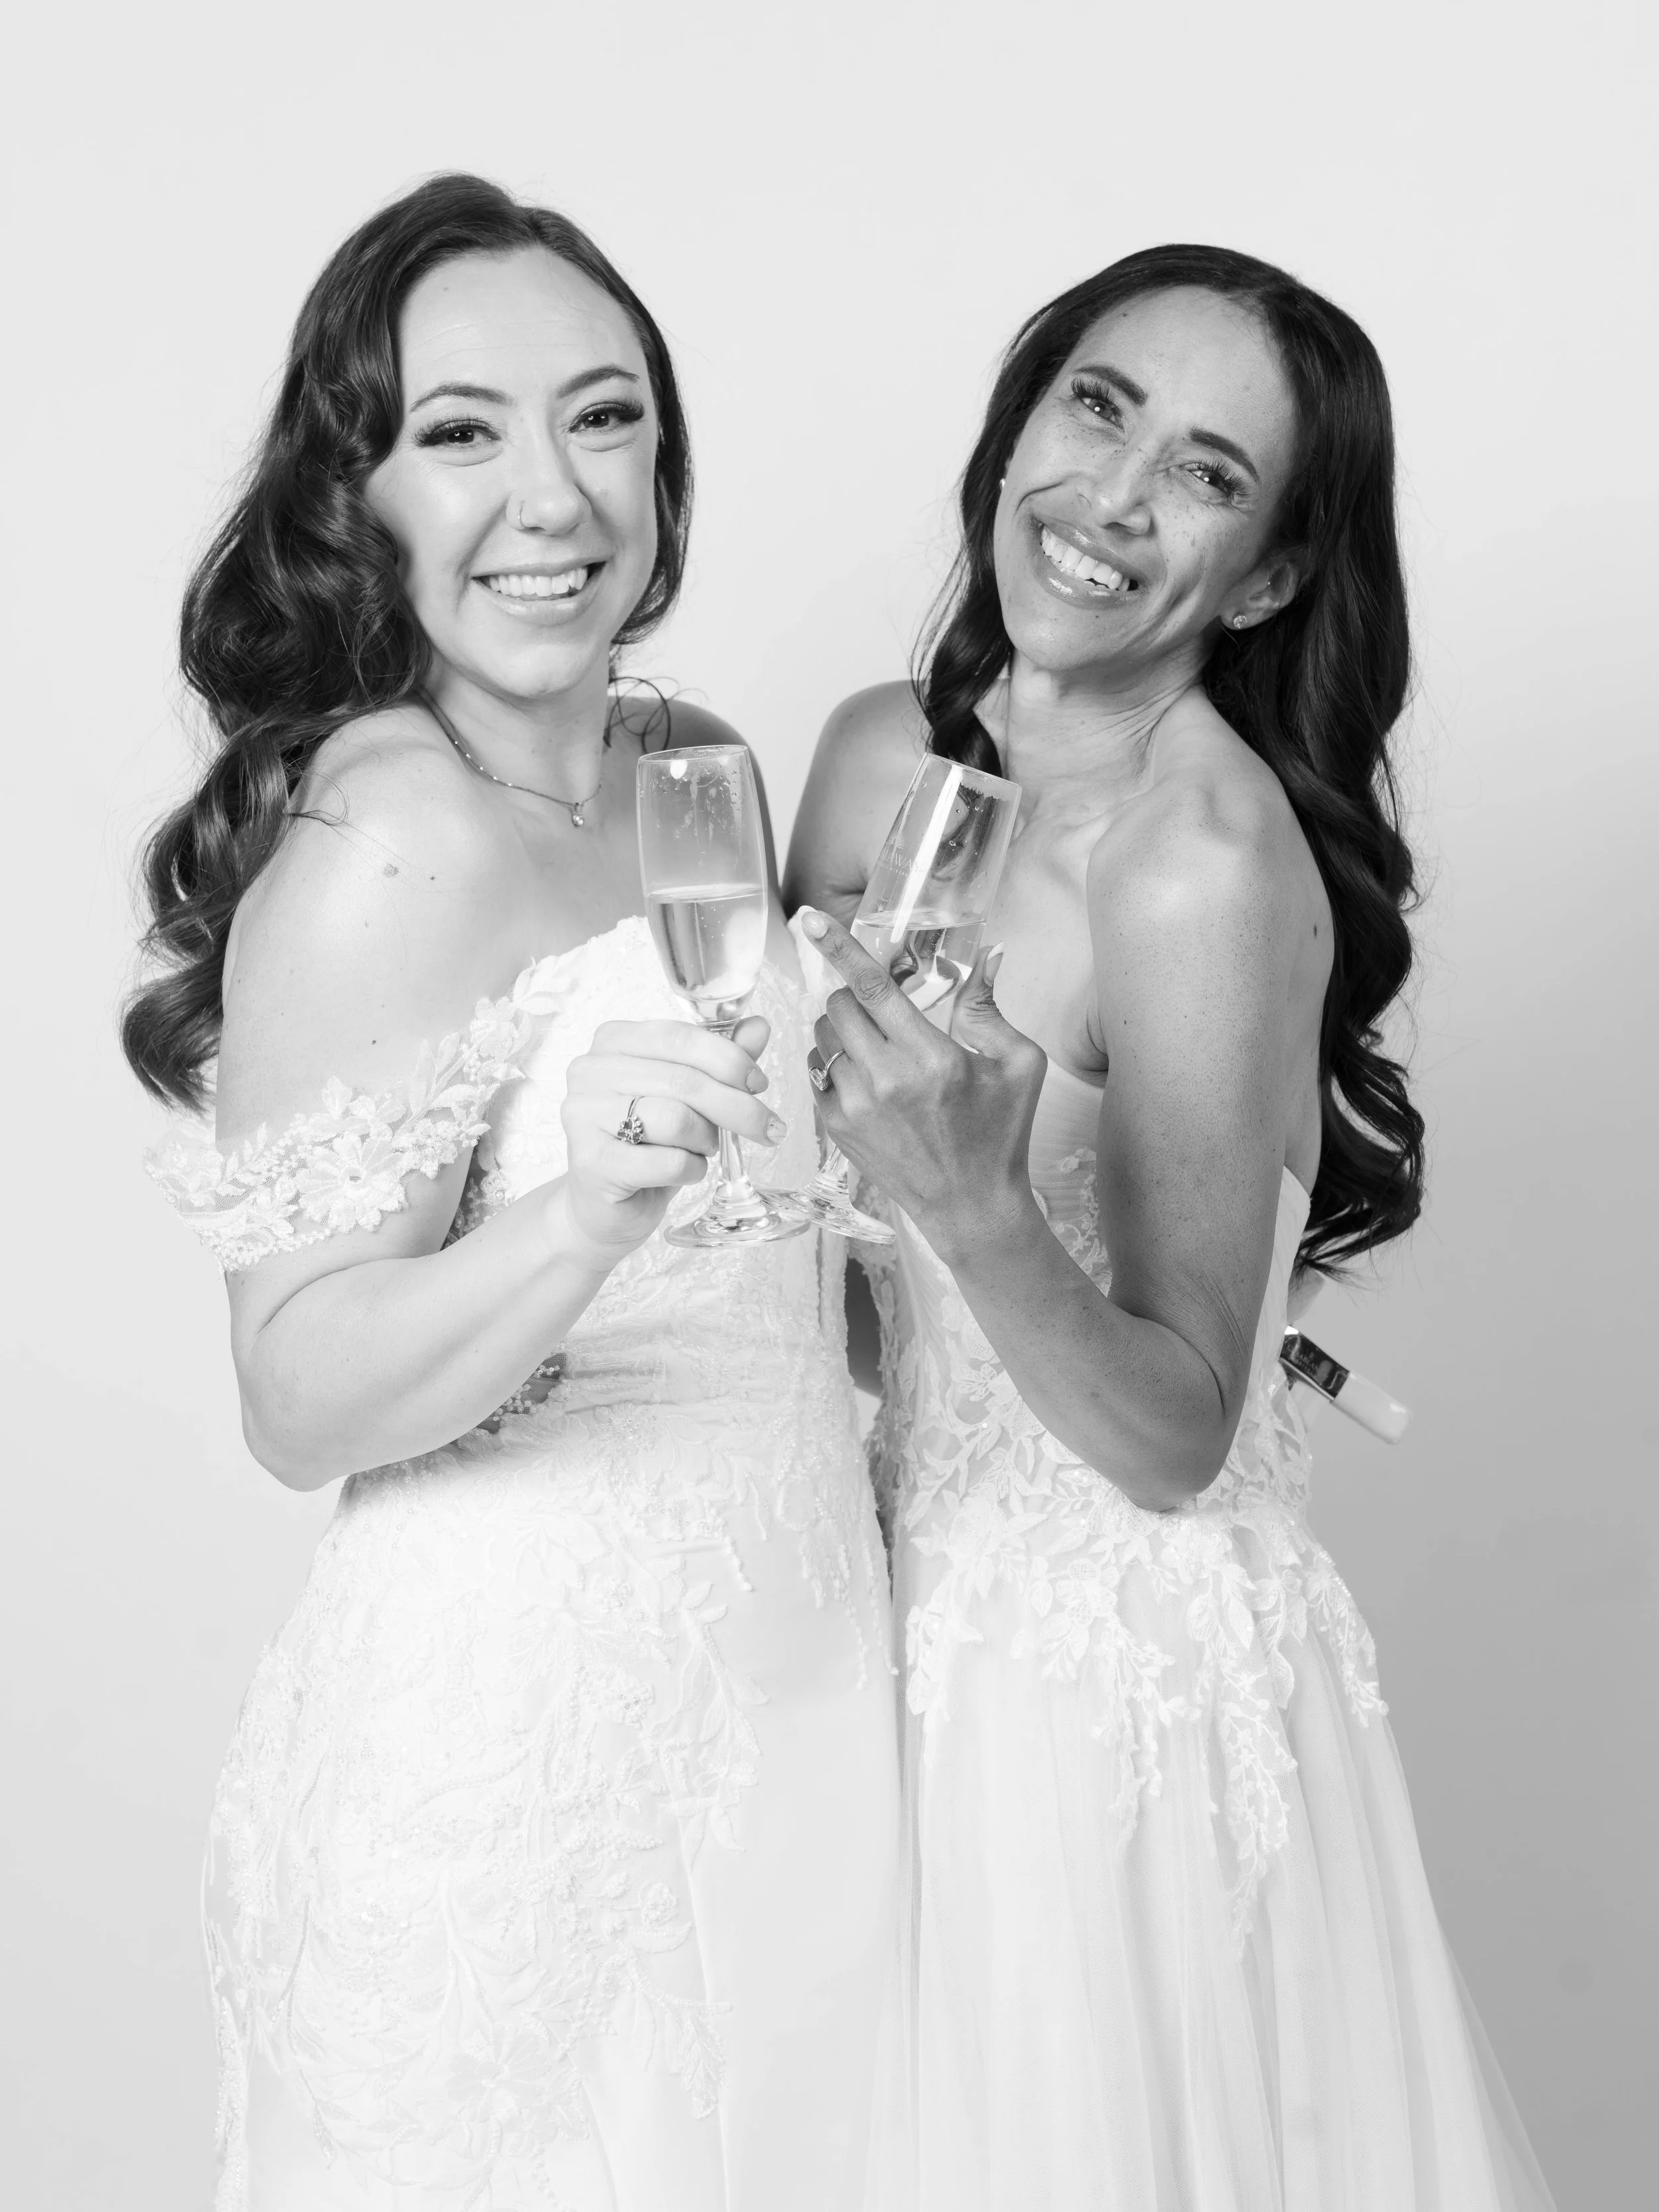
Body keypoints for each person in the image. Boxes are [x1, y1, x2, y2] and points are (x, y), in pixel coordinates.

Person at [125, 174, 893, 2212]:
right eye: (459, 432)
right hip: (526, 1733)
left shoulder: (695, 766)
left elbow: (795, 1227)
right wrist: (572, 1221)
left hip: (800, 1674)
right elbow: (293, 1392)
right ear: (354, 494)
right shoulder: (395, 845)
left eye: (605, 414)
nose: (554, 496)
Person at [786, 247, 1555, 2210]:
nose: (1114, 499)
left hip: (1072, 1681)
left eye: (1207, 475)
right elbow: (800, 1235)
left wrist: (972, 1200)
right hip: (835, 1618)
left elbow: (1175, 1427)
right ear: (1021, 416)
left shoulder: (1203, 870)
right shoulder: (880, 755)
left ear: (1272, 574)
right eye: (1097, 407)